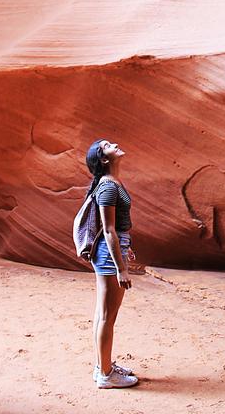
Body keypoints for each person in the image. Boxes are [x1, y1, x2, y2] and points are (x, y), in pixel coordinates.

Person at [85, 138, 138, 389]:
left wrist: (126, 249)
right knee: (107, 315)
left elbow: (117, 228)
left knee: (102, 313)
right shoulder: (107, 187)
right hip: (108, 254)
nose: (115, 143)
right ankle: (106, 375)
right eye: (107, 145)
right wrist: (122, 268)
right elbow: (108, 231)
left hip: (113, 250)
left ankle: (102, 366)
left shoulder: (112, 183)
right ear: (104, 159)